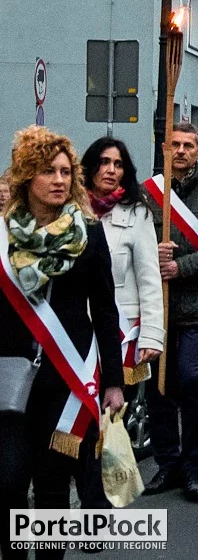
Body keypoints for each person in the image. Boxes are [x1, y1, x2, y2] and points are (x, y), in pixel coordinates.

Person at [0, 127, 124, 560]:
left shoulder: (88, 234)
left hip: (67, 378)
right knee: (10, 479)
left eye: (66, 172)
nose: (59, 180)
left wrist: (114, 381)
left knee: (53, 484)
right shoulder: (2, 238)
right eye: (47, 171)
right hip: (10, 379)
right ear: (24, 177)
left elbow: (107, 313)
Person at [142, 121, 198, 502]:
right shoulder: (147, 194)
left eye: (188, 146)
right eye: (174, 145)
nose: (180, 151)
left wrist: (185, 266)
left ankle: (193, 467)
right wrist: (153, 251)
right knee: (159, 388)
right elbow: (129, 242)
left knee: (193, 381)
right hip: (156, 308)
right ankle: (167, 463)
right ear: (165, 150)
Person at [81, 137, 164, 378]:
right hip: (78, 329)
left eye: (118, 164)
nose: (111, 170)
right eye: (104, 162)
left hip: (122, 331)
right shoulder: (71, 211)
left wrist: (152, 334)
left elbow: (149, 279)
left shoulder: (137, 212)